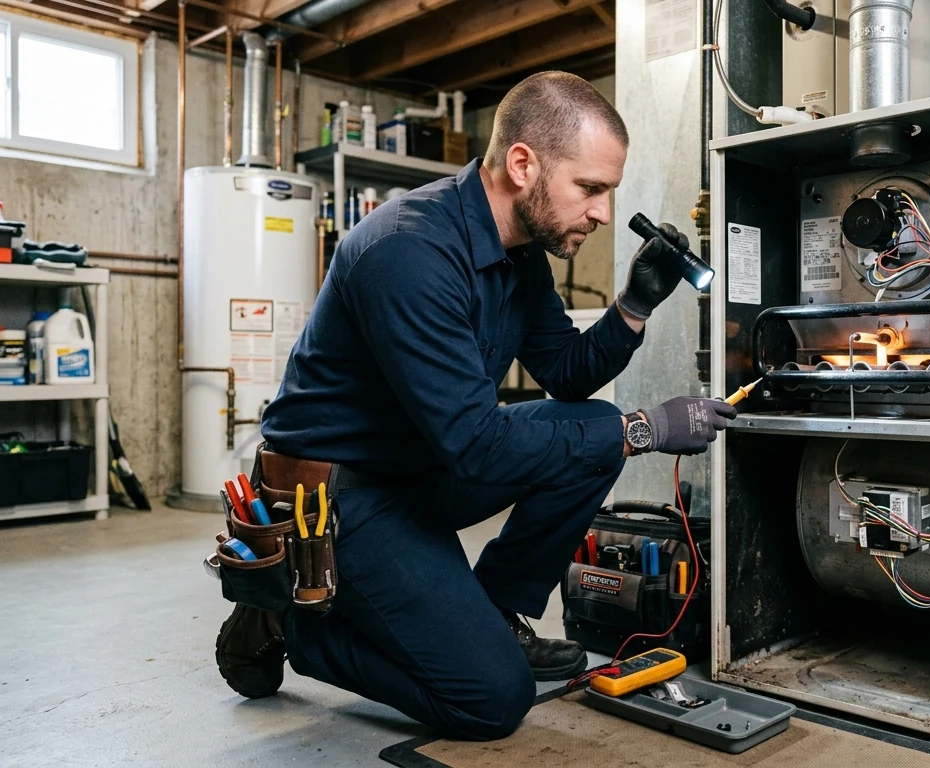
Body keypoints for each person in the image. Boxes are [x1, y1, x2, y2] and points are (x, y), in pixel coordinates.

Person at [212, 71, 735, 739]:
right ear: (524, 164)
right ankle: (292, 625)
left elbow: (568, 377)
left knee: (592, 427)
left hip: (420, 469)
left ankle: (494, 614)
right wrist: (646, 429)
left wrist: (634, 305)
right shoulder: (408, 250)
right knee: (491, 699)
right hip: (340, 500)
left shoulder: (520, 260)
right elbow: (477, 445)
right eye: (591, 188)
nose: (603, 213)